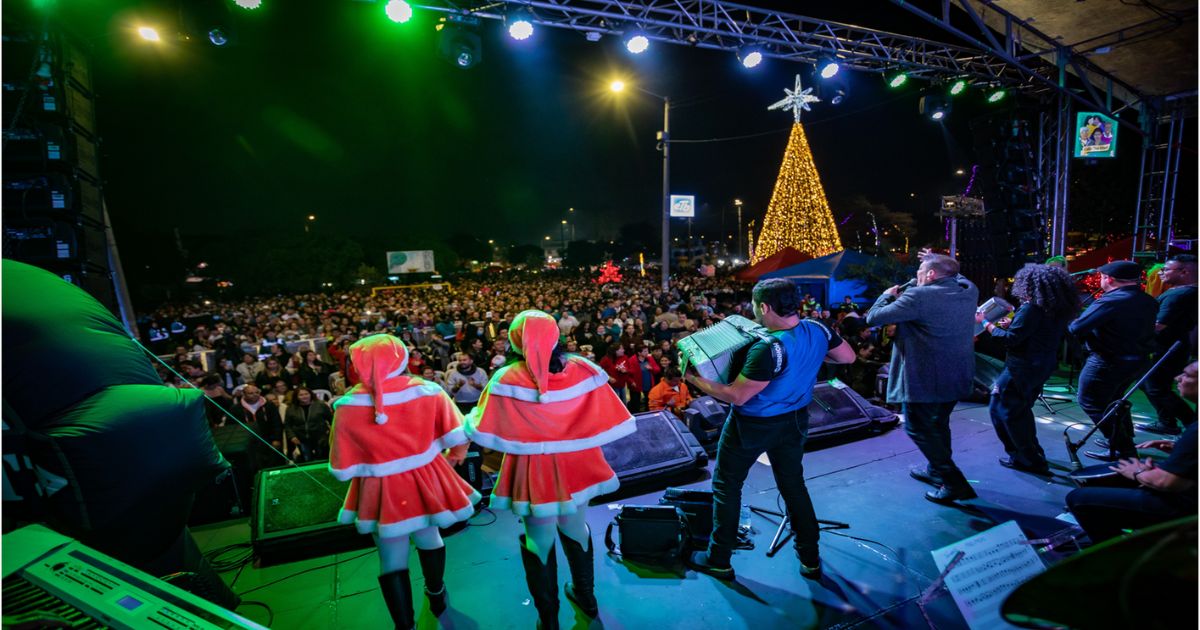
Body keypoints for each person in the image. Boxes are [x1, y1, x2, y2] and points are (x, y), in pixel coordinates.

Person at [465, 310, 634, 628]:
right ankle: (587, 598)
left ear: (515, 340)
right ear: (556, 337)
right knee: (575, 527)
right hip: (578, 464)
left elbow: (479, 424)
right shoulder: (583, 368)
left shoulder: (507, 377)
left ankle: (549, 618)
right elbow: (607, 411)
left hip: (533, 470)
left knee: (538, 539)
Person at [684, 279, 855, 580]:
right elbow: (847, 357)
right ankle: (810, 559)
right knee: (793, 485)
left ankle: (719, 559)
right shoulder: (818, 329)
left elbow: (737, 396)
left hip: (753, 424)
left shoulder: (768, 348)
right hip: (796, 420)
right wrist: (811, 358)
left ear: (763, 307)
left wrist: (693, 379)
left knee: (727, 485)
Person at [328, 334, 479, 629]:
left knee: (391, 558)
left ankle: (404, 625)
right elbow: (459, 434)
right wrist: (450, 456)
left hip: (378, 489)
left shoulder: (346, 406)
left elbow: (341, 467)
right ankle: (436, 595)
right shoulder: (428, 390)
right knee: (429, 538)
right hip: (425, 479)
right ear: (400, 358)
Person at [866, 252, 979, 504]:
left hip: (925, 378)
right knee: (939, 424)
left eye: (920, 273)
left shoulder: (918, 296)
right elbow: (955, 272)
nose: (915, 279)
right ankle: (936, 470)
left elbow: (873, 318)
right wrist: (935, 258)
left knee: (917, 427)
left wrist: (886, 295)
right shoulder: (969, 289)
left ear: (930, 275)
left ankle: (954, 483)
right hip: (957, 373)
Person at [1065, 362, 1197, 543]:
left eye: (1188, 375)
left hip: (1186, 508)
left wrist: (1137, 472)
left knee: (1078, 499)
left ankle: (1118, 556)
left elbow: (1169, 482)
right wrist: (1180, 449)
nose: (1178, 378)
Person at [977, 264, 1079, 475]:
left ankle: (1027, 459)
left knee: (1005, 411)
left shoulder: (1032, 308)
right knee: (1017, 410)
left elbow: (1012, 340)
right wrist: (1011, 325)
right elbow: (1031, 333)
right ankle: (1031, 455)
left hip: (1022, 367)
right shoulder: (1056, 307)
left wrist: (986, 323)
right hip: (1041, 364)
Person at [1067, 260, 1158, 461]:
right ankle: (1123, 439)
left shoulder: (1111, 300)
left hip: (1108, 361)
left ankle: (1123, 449)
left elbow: (1076, 328)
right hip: (1137, 361)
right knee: (1115, 401)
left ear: (1109, 279)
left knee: (1090, 401)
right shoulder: (1147, 300)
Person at [1137, 255, 1197, 436]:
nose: (1161, 273)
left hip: (1166, 348)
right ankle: (1167, 422)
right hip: (1175, 346)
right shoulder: (1187, 291)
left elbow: (1158, 325)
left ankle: (1191, 425)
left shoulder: (1179, 295)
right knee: (1150, 384)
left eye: (1165, 270)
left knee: (1156, 387)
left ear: (1184, 271)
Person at [285, 387, 333, 462]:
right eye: (301, 395)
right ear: (296, 397)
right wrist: (292, 436)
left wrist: (330, 433)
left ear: (310, 394)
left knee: (323, 459)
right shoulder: (291, 408)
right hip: (301, 439)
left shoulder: (321, 405)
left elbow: (332, 420)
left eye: (306, 394)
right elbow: (287, 425)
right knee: (307, 461)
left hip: (320, 438)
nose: (304, 396)